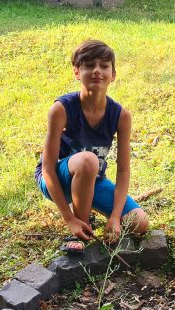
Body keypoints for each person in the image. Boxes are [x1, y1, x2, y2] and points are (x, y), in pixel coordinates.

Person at [34, 39, 149, 253]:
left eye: (104, 66)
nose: (97, 71)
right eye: (89, 65)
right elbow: (47, 167)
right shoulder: (62, 109)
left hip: (94, 180)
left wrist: (115, 217)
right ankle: (79, 229)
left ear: (113, 75)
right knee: (88, 160)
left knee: (138, 223)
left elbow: (123, 170)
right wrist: (69, 219)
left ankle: (85, 206)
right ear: (77, 72)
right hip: (56, 181)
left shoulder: (121, 116)